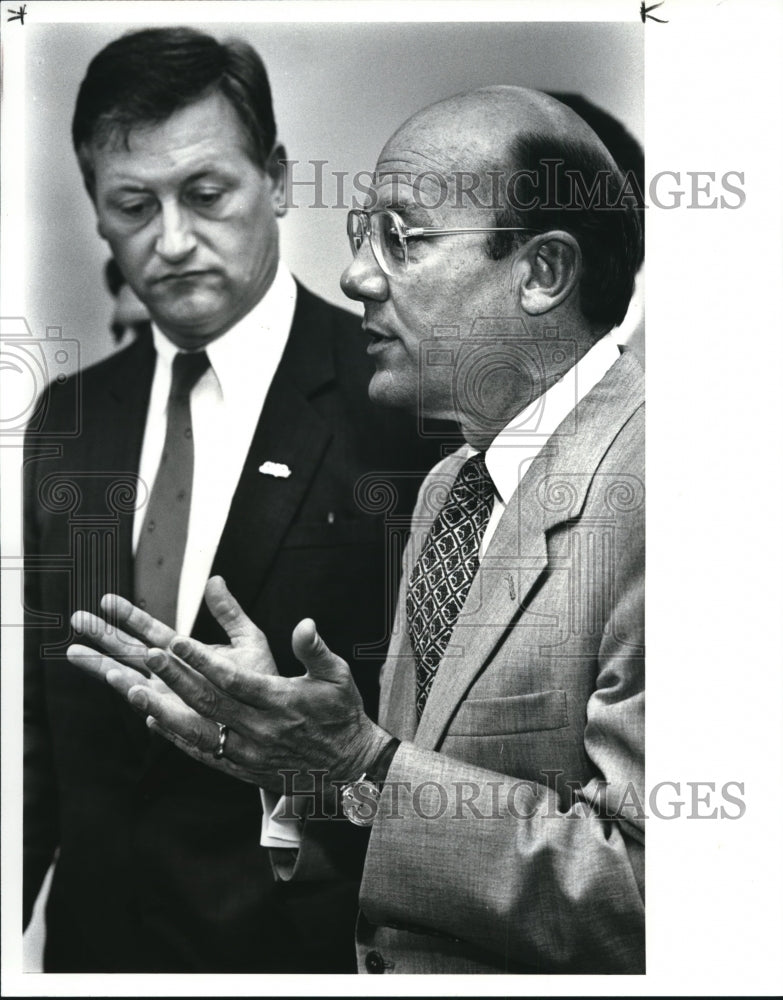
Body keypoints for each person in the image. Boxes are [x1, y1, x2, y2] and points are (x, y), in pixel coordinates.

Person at [69, 85, 645, 973]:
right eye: (360, 235)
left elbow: (655, 892)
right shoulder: (451, 485)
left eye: (401, 239)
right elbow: (412, 805)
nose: (357, 276)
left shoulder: (678, 491)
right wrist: (296, 759)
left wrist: (360, 762)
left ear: (541, 273)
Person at [24, 27, 447, 973]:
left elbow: (445, 736)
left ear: (280, 177)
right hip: (93, 954)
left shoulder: (398, 403)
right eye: (133, 205)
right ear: (97, 214)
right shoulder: (67, 418)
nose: (171, 241)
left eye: (206, 194)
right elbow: (37, 732)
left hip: (304, 953)